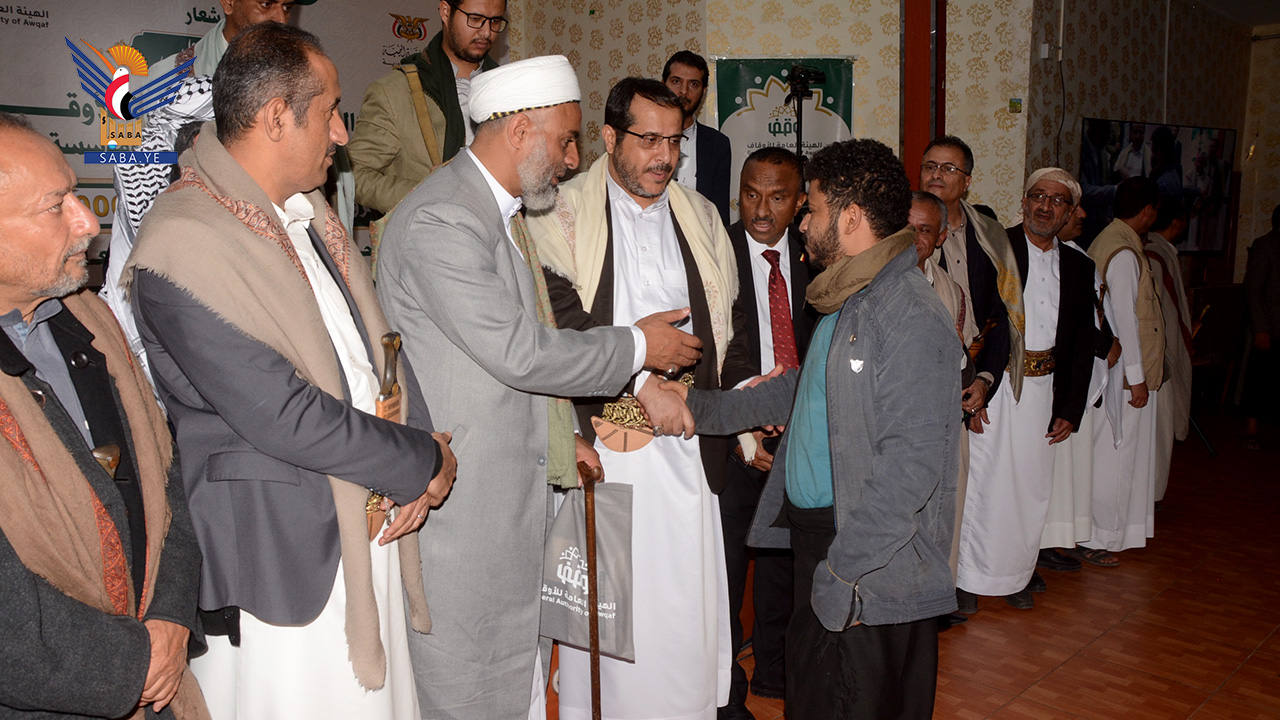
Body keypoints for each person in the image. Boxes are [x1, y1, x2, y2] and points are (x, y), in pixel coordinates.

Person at [125, 24, 455, 719]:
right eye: (330, 111)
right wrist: (420, 460)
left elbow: (377, 349)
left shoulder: (310, 217)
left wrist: (420, 447)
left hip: (371, 520)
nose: (341, 133)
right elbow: (281, 414)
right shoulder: (182, 241)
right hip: (281, 554)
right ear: (277, 116)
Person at [375, 57, 703, 719]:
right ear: (520, 130)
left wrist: (563, 440)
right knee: (468, 694)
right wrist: (640, 346)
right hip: (465, 516)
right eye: (566, 140)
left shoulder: (502, 214)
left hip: (512, 505)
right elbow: (520, 354)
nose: (573, 159)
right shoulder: (443, 219)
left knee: (517, 691)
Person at [666, 138, 961, 719]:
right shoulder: (851, 297)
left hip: (866, 563)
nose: (802, 222)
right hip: (826, 545)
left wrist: (843, 571)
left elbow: (910, 470)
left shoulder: (908, 313)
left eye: (814, 209)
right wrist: (700, 407)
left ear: (850, 219)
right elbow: (803, 388)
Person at [528, 76, 739, 720]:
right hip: (607, 446)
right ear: (609, 137)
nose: (664, 157)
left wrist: (734, 400)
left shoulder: (700, 216)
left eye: (674, 142)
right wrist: (641, 380)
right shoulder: (557, 213)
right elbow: (556, 320)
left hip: (688, 444)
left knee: (682, 603)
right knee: (614, 600)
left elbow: (728, 321)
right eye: (648, 140)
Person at [0, 112, 206, 720]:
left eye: (75, 195)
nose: (88, 222)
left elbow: (168, 472)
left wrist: (170, 617)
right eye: (55, 206)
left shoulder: (90, 318)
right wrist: (132, 662)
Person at [101, 0, 296, 383]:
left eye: (287, 7)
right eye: (267, 3)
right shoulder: (166, 77)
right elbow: (134, 179)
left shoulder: (294, 76)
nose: (279, 18)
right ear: (228, 3)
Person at [954, 169, 1098, 611]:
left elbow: (1081, 342)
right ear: (1024, 201)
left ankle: (1013, 574)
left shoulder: (1080, 266)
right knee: (984, 485)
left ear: (1069, 212)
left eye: (1057, 200)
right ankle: (966, 580)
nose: (1044, 206)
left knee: (1030, 490)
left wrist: (1070, 408)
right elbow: (977, 323)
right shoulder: (997, 248)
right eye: (1037, 196)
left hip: (1044, 391)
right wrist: (975, 386)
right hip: (997, 386)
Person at [714, 146, 812, 717]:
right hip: (733, 441)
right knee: (726, 575)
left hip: (799, 438)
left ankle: (777, 673)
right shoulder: (715, 251)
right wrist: (745, 433)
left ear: (800, 202)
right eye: (751, 194)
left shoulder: (816, 255)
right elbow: (709, 353)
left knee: (787, 566)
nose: (760, 209)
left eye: (777, 197)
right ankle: (727, 696)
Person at [1075, 176, 1165, 564]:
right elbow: (1125, 321)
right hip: (1124, 376)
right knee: (1116, 456)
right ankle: (1101, 536)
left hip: (1118, 371)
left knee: (1121, 456)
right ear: (1147, 211)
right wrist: (1137, 378)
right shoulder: (1124, 253)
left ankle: (1111, 532)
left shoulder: (1111, 240)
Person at [349, 0, 506, 214]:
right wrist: (427, 193)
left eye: (495, 21)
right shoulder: (396, 91)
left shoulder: (511, 89)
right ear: (446, 11)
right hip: (428, 228)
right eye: (475, 19)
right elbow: (355, 174)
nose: (486, 32)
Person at [909, 190, 976, 630]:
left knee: (944, 512)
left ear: (940, 238)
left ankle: (936, 601)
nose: (914, 238)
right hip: (894, 427)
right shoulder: (868, 282)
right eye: (906, 227)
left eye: (924, 230)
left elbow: (964, 357)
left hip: (944, 423)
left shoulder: (952, 291)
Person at [1144, 196, 1193, 501]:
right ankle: (1151, 494)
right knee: (1158, 430)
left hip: (1160, 354)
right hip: (1157, 358)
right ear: (1176, 223)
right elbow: (1162, 314)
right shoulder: (1153, 254)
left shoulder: (1160, 251)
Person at [663, 51, 732, 227]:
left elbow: (719, 215)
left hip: (699, 239)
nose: (683, 91)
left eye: (693, 84)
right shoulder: (643, 136)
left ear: (704, 91)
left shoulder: (717, 144)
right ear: (663, 84)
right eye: (676, 81)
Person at [1244, 205, 1280, 449]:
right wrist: (1260, 328)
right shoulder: (1265, 245)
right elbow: (1253, 289)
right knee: (1258, 377)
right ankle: (1251, 427)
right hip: (1268, 324)